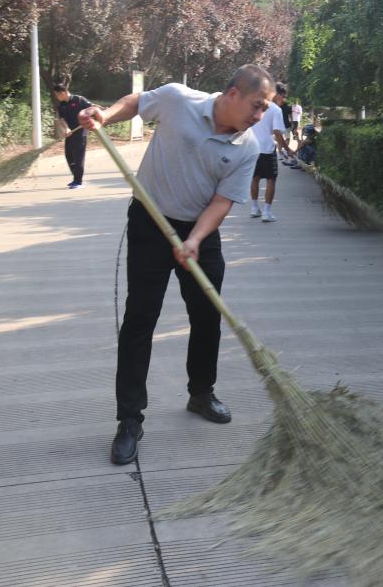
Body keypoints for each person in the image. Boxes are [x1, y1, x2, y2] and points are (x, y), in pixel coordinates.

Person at [77, 64, 274, 466]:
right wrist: (105, 115)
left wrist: (195, 239)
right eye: (256, 106)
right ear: (232, 94)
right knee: (140, 320)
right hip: (150, 221)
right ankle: (129, 419)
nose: (259, 116)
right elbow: (137, 103)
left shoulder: (247, 146)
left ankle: (201, 393)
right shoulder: (177, 99)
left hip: (199, 228)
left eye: (264, 109)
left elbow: (222, 201)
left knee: (207, 316)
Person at [249, 82, 290, 222]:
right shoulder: (275, 109)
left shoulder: (255, 105)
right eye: (283, 96)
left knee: (254, 178)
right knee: (271, 180)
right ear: (276, 94)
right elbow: (277, 132)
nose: (284, 99)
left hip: (251, 148)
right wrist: (287, 149)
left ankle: (254, 208)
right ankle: (266, 212)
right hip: (267, 149)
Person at [53, 84, 94, 188]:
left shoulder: (79, 100)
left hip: (81, 131)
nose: (56, 97)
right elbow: (62, 119)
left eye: (57, 95)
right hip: (70, 133)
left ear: (62, 93)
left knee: (78, 156)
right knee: (69, 155)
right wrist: (66, 128)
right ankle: (76, 178)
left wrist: (102, 110)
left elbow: (92, 107)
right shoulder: (61, 105)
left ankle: (78, 181)